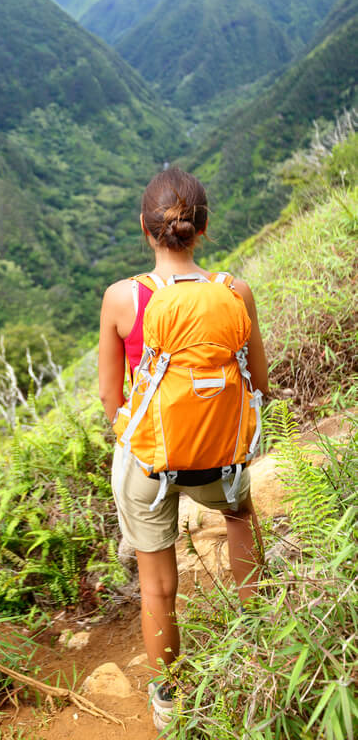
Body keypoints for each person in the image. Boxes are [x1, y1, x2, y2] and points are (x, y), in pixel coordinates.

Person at [98, 167, 268, 730]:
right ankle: (261, 651)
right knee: (239, 519)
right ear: (203, 227)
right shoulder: (234, 292)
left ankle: (170, 704)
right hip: (222, 453)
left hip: (150, 460)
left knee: (157, 586)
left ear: (145, 229)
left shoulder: (123, 298)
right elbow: (259, 384)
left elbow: (111, 400)